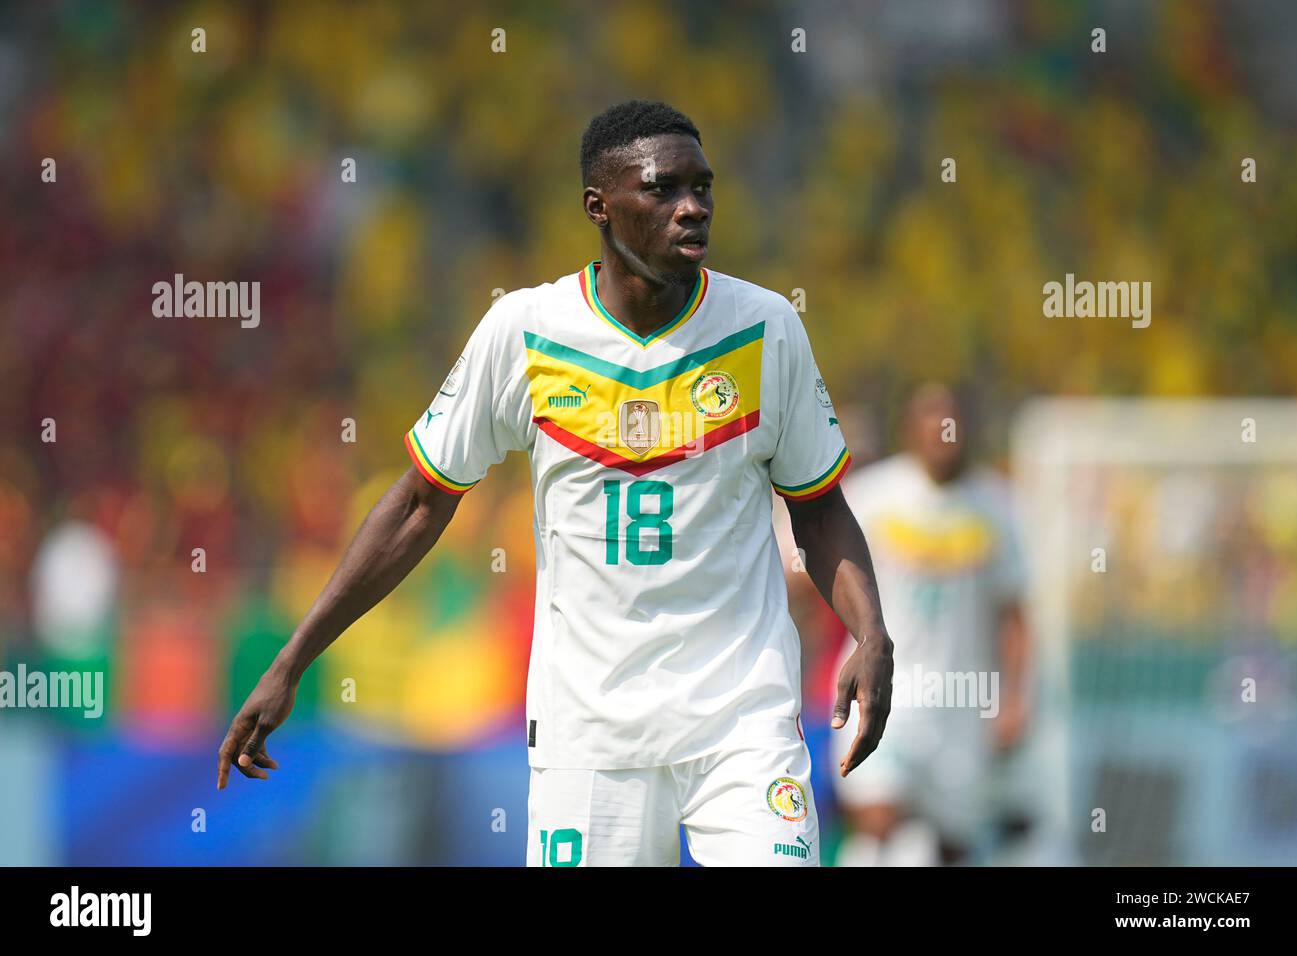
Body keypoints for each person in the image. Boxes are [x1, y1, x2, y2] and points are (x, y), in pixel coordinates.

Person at [217, 99, 895, 867]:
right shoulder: (525, 333)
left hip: (740, 722)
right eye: (663, 189)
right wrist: (292, 661)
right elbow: (417, 504)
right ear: (599, 208)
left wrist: (870, 633)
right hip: (590, 736)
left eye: (702, 188)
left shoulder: (767, 328)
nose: (692, 208)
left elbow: (819, 508)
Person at [828, 384, 1030, 866]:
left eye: (954, 421)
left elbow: (1015, 613)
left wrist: (1016, 698)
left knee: (951, 845)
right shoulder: (875, 496)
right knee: (877, 818)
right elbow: (828, 574)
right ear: (910, 429)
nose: (945, 433)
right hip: (885, 690)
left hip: (962, 702)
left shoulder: (996, 507)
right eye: (932, 420)